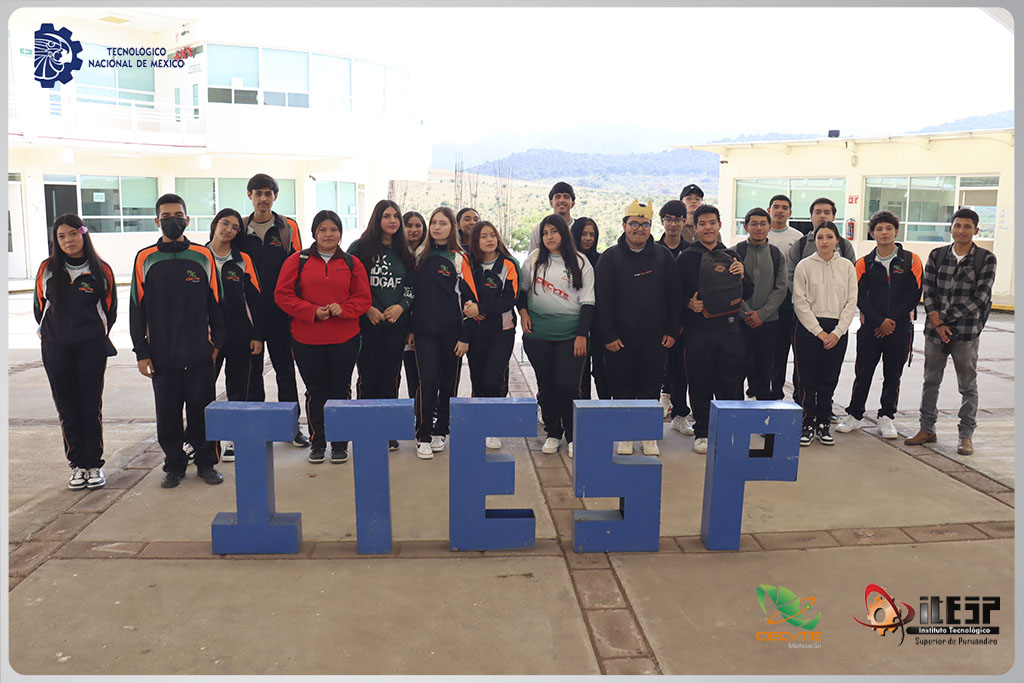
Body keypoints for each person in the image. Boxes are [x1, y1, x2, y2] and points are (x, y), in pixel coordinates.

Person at [130, 194, 225, 488]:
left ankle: (206, 462)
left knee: (202, 411)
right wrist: (141, 352)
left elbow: (217, 303)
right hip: (162, 354)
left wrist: (216, 345)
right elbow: (136, 308)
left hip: (199, 352)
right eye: (166, 216)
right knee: (168, 414)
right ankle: (174, 464)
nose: (173, 220)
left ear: (187, 219)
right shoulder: (145, 258)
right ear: (157, 221)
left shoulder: (202, 255)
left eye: (178, 215)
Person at [275, 210, 371, 464]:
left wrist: (344, 309)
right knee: (315, 391)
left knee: (341, 390)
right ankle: (317, 442)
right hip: (307, 339)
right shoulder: (298, 260)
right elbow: (283, 295)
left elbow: (363, 298)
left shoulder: (352, 263)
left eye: (334, 230)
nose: (329, 235)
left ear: (340, 233)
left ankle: (340, 444)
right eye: (323, 230)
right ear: (314, 233)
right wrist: (311, 311)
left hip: (344, 339)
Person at [34, 214, 117, 490]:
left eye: (72, 233)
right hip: (55, 348)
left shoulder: (101, 270)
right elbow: (39, 307)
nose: (68, 240)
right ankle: (77, 465)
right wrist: (54, 334)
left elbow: (110, 310)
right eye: (61, 236)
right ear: (56, 240)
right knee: (66, 407)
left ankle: (93, 464)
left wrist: (91, 334)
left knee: (90, 407)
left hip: (91, 348)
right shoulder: (47, 269)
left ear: (83, 234)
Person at [904, 208, 997, 456]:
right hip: (934, 332)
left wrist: (945, 320)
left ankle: (966, 435)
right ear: (951, 228)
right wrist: (936, 321)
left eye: (967, 226)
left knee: (967, 385)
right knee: (930, 381)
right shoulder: (937, 255)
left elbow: (981, 297)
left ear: (976, 230)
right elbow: (928, 290)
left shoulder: (986, 259)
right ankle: (926, 429)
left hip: (965, 333)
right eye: (958, 226)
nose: (962, 231)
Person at [595, 201, 679, 456]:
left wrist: (672, 330)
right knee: (622, 389)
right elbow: (602, 300)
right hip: (619, 341)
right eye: (634, 223)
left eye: (644, 224)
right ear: (624, 225)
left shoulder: (663, 256)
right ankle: (624, 436)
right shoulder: (610, 257)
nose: (639, 229)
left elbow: (674, 297)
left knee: (650, 389)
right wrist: (608, 335)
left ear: (651, 227)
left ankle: (647, 435)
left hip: (655, 339)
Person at [836, 210, 922, 440]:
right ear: (872, 233)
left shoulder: (911, 260)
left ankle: (886, 416)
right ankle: (854, 414)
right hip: (870, 328)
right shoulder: (863, 263)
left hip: (899, 328)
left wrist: (891, 321)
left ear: (896, 231)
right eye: (879, 229)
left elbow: (914, 294)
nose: (884, 233)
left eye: (889, 228)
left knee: (893, 375)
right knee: (863, 372)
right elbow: (858, 296)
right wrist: (879, 321)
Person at [238, 173, 309, 447]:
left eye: (268, 193)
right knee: (252, 375)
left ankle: (290, 429)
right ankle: (256, 430)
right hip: (250, 315)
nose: (263, 198)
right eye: (258, 193)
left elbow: (299, 266)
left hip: (281, 313)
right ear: (250, 196)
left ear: (275, 196)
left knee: (285, 372)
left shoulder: (288, 227)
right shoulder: (241, 228)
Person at [677, 205, 753, 454]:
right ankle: (702, 432)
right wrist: (688, 304)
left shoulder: (731, 255)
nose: (708, 227)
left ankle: (730, 431)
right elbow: (672, 293)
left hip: (730, 331)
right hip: (698, 332)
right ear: (695, 227)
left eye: (712, 222)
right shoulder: (686, 258)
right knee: (700, 382)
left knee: (731, 383)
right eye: (702, 223)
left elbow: (748, 292)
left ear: (720, 225)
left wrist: (742, 275)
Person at [519, 214, 595, 458]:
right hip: (538, 336)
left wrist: (582, 335)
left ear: (564, 233)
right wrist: (523, 313)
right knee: (546, 386)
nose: (549, 237)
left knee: (568, 385)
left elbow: (588, 302)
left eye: (554, 231)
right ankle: (553, 432)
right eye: (545, 233)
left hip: (571, 337)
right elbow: (521, 292)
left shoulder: (580, 262)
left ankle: (573, 435)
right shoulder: (533, 261)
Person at [348, 200, 415, 453]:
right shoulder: (360, 248)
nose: (392, 221)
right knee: (368, 377)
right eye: (386, 216)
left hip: (396, 324)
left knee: (390, 377)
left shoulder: (405, 250)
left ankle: (388, 431)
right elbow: (350, 283)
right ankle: (366, 429)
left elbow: (411, 286)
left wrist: (402, 306)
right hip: (368, 324)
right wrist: (366, 308)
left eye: (396, 216)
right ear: (377, 219)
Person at [411, 207, 478, 459]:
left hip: (452, 333)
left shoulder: (459, 258)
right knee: (427, 382)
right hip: (424, 332)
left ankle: (441, 429)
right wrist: (411, 330)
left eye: (443, 223)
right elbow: (412, 295)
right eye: (434, 223)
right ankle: (423, 435)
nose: (437, 228)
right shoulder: (419, 255)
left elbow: (470, 302)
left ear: (453, 227)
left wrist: (465, 337)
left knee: (448, 382)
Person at [786, 197, 856, 419]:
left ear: (837, 240)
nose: (825, 241)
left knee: (829, 377)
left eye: (829, 237)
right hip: (808, 326)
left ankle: (824, 420)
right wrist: (819, 331)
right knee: (805, 378)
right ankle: (806, 420)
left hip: (837, 329)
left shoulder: (846, 265)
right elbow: (799, 299)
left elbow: (851, 301)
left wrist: (837, 332)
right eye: (820, 237)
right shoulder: (804, 263)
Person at [205, 208, 264, 461]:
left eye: (234, 227)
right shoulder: (198, 257)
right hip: (208, 338)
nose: (228, 229)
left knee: (238, 389)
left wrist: (257, 335)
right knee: (202, 391)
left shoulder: (243, 260)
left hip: (240, 335)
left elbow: (255, 299)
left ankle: (235, 438)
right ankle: (201, 442)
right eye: (225, 223)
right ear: (215, 224)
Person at [465, 220, 520, 449]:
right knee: (478, 381)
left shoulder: (508, 264)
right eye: (483, 236)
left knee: (493, 380)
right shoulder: (470, 264)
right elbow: (463, 292)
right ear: (475, 241)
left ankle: (494, 427)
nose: (489, 240)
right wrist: (469, 309)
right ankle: (482, 425)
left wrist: (482, 309)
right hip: (476, 332)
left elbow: (510, 299)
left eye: (492, 235)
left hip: (501, 333)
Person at [734, 208, 787, 401]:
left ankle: (763, 413)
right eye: (754, 224)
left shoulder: (776, 254)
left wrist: (762, 314)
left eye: (763, 224)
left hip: (768, 323)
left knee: (764, 371)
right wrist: (746, 313)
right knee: (736, 370)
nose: (758, 228)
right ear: (746, 227)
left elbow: (781, 288)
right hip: (740, 322)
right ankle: (736, 413)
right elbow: (730, 288)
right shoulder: (735, 252)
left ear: (770, 227)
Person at [656, 200, 693, 434]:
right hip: (655, 321)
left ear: (684, 221)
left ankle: (680, 415)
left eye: (677, 219)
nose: (673, 224)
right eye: (668, 219)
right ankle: (650, 417)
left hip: (684, 322)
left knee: (681, 370)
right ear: (662, 222)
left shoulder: (691, 251)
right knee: (655, 370)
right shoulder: (652, 249)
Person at [765, 194, 803, 400]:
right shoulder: (762, 233)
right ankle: (770, 390)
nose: (780, 211)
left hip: (790, 302)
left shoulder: (797, 237)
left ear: (790, 212)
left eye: (784, 208)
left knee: (792, 350)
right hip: (767, 302)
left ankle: (796, 393)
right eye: (776, 207)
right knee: (772, 351)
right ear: (769, 210)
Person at [571, 217, 609, 400]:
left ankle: (606, 409)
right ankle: (581, 410)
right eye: (584, 234)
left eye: (592, 235)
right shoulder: (568, 261)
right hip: (577, 324)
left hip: (600, 325)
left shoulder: (603, 260)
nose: (588, 238)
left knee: (603, 373)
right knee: (580, 373)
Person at [401, 211, 426, 400]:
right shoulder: (397, 253)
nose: (414, 230)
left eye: (418, 225)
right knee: (410, 373)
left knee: (426, 376)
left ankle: (427, 411)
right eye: (409, 225)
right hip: (399, 320)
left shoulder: (429, 254)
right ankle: (416, 410)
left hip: (424, 323)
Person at [527, 181, 576, 253]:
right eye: (558, 197)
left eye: (566, 197)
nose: (561, 200)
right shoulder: (540, 228)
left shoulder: (578, 227)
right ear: (551, 203)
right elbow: (533, 256)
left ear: (573, 204)